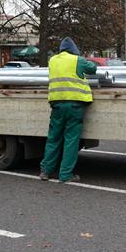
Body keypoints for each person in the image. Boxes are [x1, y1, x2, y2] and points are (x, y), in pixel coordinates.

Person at [39, 37, 98, 183]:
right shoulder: (77, 60)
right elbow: (93, 69)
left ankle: (46, 171)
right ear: (74, 49)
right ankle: (65, 175)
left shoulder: (52, 60)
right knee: (71, 140)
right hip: (75, 105)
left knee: (53, 138)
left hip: (57, 104)